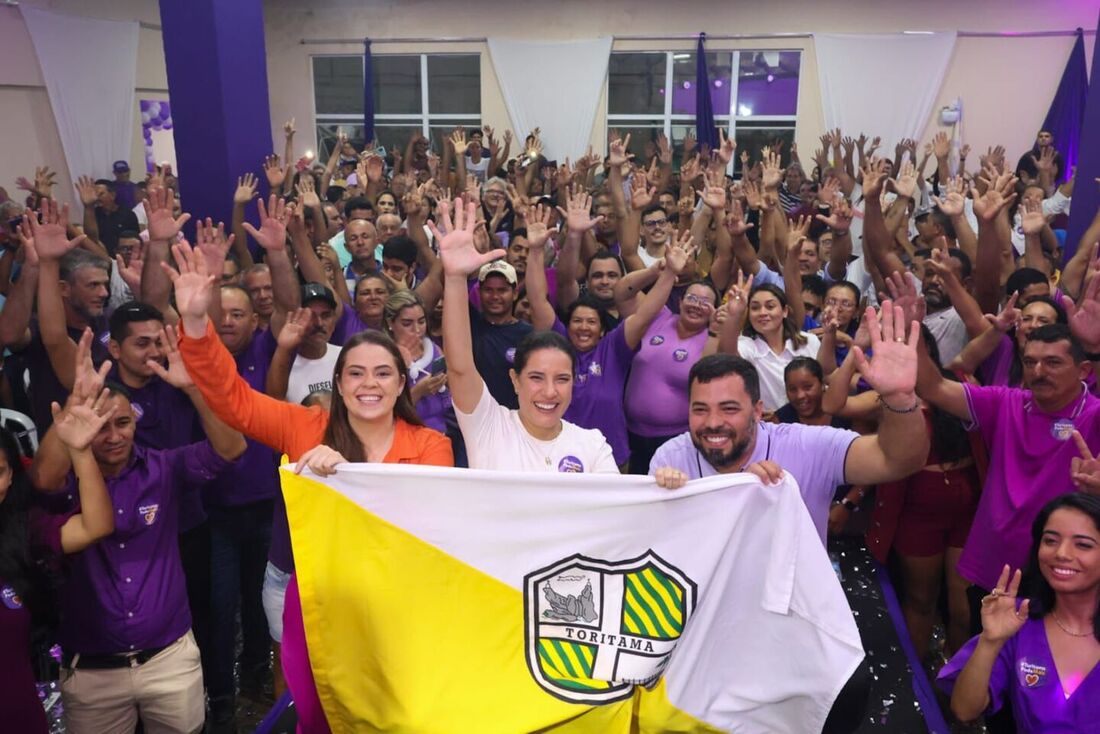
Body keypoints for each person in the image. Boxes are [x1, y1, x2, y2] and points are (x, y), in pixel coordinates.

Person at [174, 236, 452, 734]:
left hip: (396, 597)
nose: (370, 384)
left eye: (384, 373)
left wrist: (341, 480)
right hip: (313, 595)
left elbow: (429, 525)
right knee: (312, 703)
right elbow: (233, 400)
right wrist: (196, 322)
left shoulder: (431, 444)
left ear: (400, 383)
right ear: (339, 384)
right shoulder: (305, 429)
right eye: (357, 373)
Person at [31, 322, 247, 734]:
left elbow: (232, 448)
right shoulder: (69, 477)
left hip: (169, 659)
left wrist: (194, 390)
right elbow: (41, 479)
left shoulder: (163, 468)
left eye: (123, 424)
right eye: (101, 426)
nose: (112, 436)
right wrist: (75, 414)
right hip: (92, 670)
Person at [651, 301, 929, 545]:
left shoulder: (807, 445)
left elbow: (897, 460)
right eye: (700, 409)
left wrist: (900, 398)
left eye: (729, 409)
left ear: (758, 411)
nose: (713, 422)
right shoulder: (670, 459)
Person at [915, 323, 1100, 609]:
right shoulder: (1006, 402)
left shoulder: (1095, 415)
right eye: (1030, 362)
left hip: (1064, 569)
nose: (1038, 372)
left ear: (1084, 370)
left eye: (1052, 362)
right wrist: (911, 332)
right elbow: (933, 387)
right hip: (995, 563)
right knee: (981, 643)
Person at [439, 195, 617, 473]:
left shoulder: (593, 445)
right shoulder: (487, 426)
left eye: (562, 379)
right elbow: (459, 367)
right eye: (535, 377)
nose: (549, 391)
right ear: (515, 380)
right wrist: (454, 278)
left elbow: (617, 509)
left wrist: (669, 483)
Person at [525, 203, 691, 467]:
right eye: (577, 321)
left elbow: (645, 313)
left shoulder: (613, 348)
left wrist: (669, 273)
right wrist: (535, 250)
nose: (583, 327)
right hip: (558, 457)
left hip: (611, 458)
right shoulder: (558, 345)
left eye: (591, 322)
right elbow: (537, 301)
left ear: (602, 329)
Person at [0, 387, 114, 734]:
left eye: (0, 470)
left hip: (19, 716)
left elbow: (96, 525)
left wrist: (79, 452)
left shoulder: (23, 531)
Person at [939, 493, 1100, 729]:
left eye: (1083, 545)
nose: (1061, 553)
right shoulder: (1018, 618)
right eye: (1050, 540)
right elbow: (964, 709)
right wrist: (990, 641)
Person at [717, 278, 822, 413]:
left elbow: (825, 382)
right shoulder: (748, 345)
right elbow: (726, 357)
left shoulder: (810, 341)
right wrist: (734, 316)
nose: (762, 313)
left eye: (770, 306)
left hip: (811, 421)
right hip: (770, 427)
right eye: (755, 308)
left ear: (785, 311)